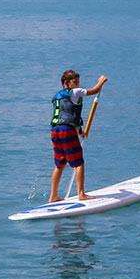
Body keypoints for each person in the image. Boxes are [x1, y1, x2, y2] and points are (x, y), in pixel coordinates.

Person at [49, 70, 108, 202]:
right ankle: (81, 194)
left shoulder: (56, 96)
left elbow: (67, 115)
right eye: (75, 82)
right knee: (79, 163)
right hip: (66, 131)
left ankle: (53, 196)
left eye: (78, 82)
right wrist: (101, 82)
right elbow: (94, 91)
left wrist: (80, 132)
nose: (77, 85)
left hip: (55, 130)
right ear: (66, 83)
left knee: (60, 164)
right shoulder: (75, 92)